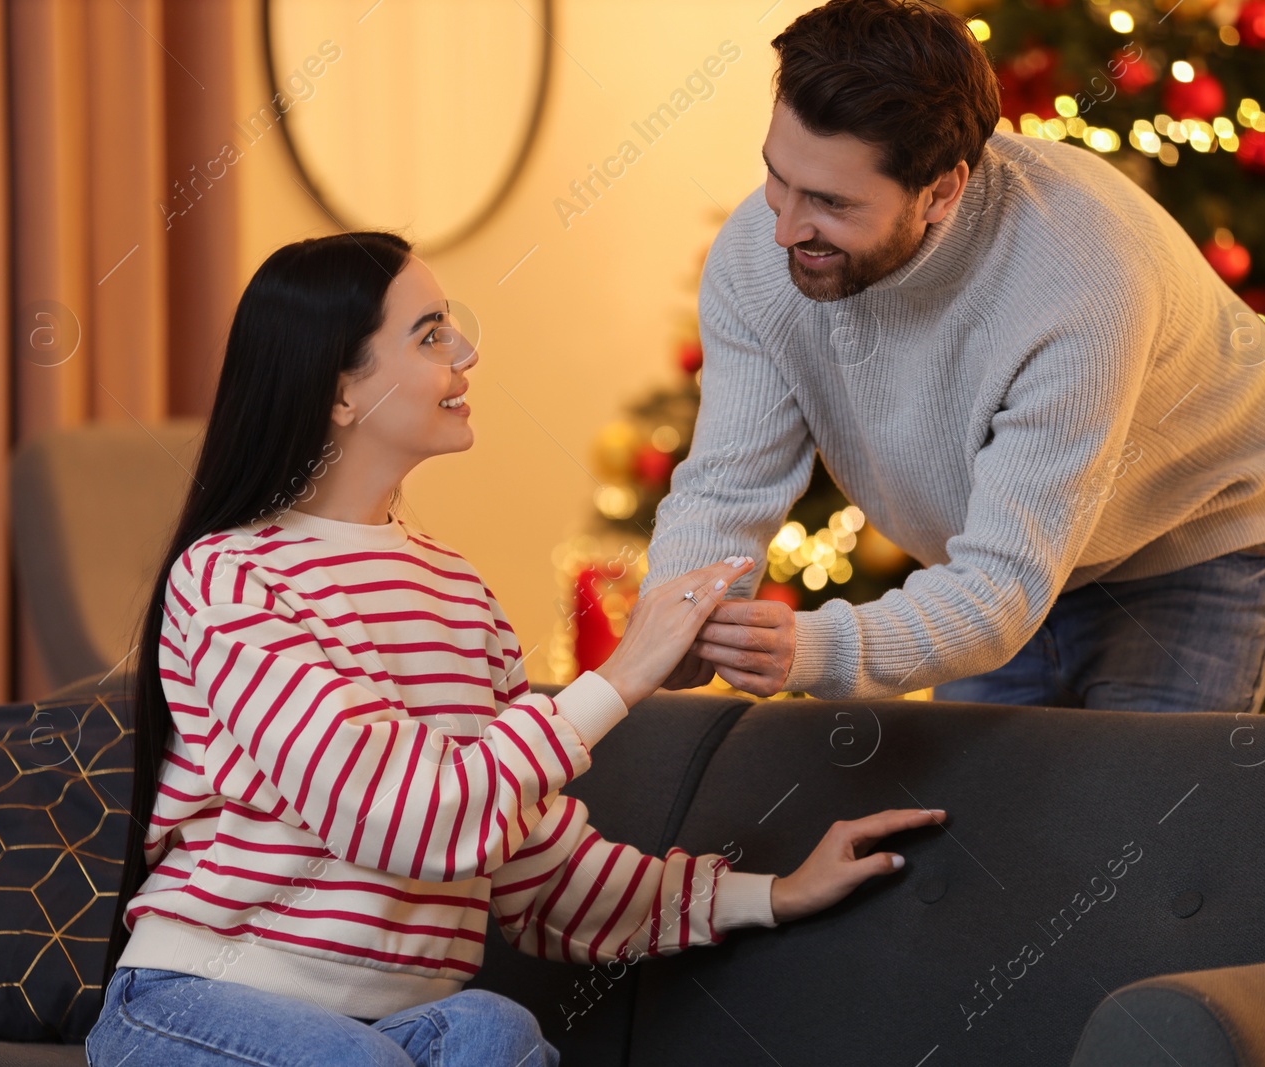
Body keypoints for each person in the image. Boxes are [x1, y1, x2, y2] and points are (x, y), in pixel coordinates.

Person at [86, 231, 944, 1067]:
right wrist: (618, 678)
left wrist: (771, 892)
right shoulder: (232, 577)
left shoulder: (458, 595)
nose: (465, 352)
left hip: (396, 1031)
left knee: (492, 1029)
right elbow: (403, 816)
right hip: (196, 1009)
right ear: (340, 391)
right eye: (430, 334)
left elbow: (538, 876)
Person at [642, 0, 1265, 714]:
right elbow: (726, 487)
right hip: (987, 560)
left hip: (1195, 540)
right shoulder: (757, 254)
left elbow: (1000, 591)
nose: (782, 228)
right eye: (778, 177)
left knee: (1136, 816)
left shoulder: (1080, 283)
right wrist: (684, 610)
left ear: (942, 191)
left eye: (832, 203)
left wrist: (806, 649)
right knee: (981, 821)